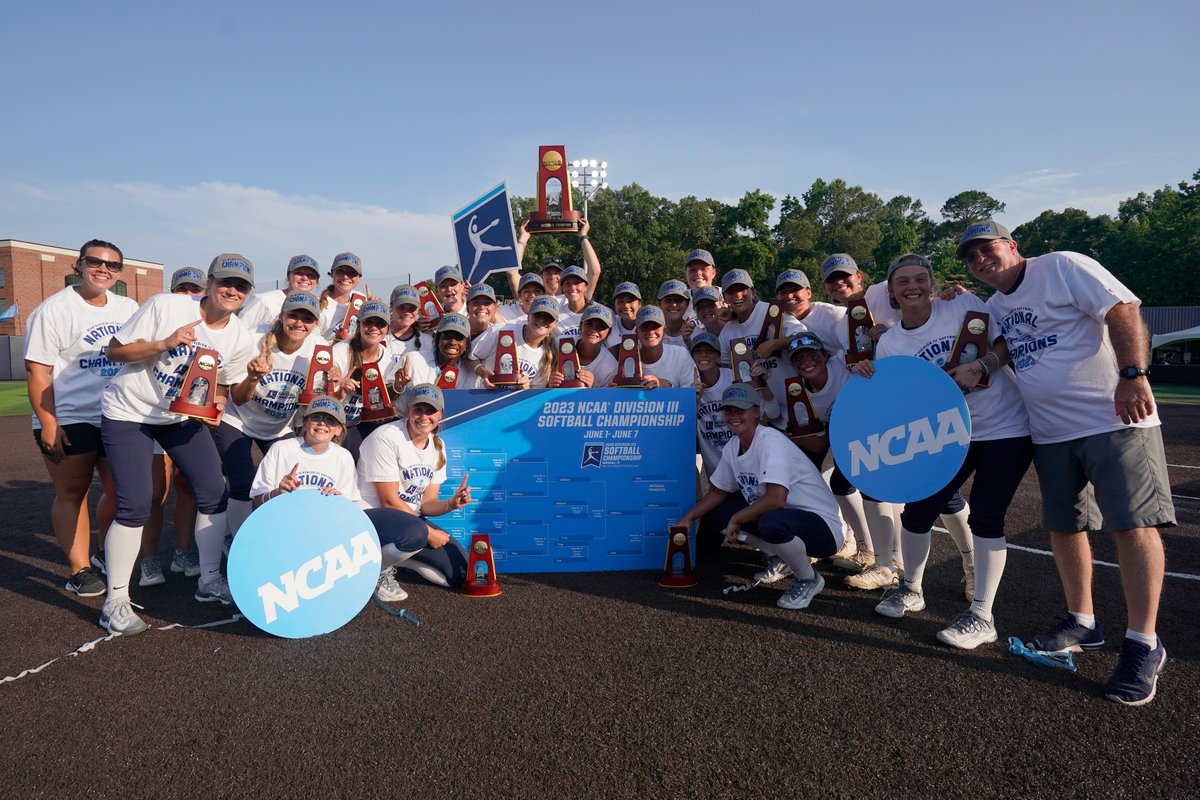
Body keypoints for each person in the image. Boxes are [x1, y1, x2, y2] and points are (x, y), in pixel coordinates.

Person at [957, 219, 1174, 704]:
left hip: (1114, 419)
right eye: (970, 258)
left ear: (1012, 245)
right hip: (1051, 433)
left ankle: (1144, 642)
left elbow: (1124, 308)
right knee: (1065, 527)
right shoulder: (993, 305)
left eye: (986, 249)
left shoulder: (1062, 266)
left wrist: (1133, 374)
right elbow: (999, 345)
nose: (980, 261)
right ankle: (1083, 621)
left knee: (1132, 527)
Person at [853, 254, 1033, 650]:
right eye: (903, 281)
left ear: (933, 284)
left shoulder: (961, 304)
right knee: (918, 511)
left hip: (1002, 427)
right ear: (892, 291)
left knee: (987, 515)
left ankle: (982, 615)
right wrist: (866, 376)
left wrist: (984, 364)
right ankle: (911, 589)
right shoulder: (892, 342)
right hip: (945, 435)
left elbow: (1005, 340)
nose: (912, 286)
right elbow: (899, 398)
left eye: (921, 278)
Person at [97, 253, 257, 634]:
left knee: (214, 491)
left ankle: (209, 579)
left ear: (248, 293)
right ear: (210, 283)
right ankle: (115, 600)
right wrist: (164, 343)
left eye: (241, 286)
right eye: (226, 282)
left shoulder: (238, 335)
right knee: (136, 502)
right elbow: (115, 351)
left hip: (178, 418)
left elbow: (221, 385)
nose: (232, 290)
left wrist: (218, 399)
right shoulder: (165, 306)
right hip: (130, 410)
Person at [23, 239, 140, 597]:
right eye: (95, 262)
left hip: (117, 413)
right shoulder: (54, 309)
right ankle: (80, 569)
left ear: (119, 272)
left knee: (121, 491)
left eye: (112, 265)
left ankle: (104, 551)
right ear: (79, 265)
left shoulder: (128, 306)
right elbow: (37, 371)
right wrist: (49, 422)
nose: (103, 269)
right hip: (70, 415)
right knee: (73, 492)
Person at [678, 383, 844, 609]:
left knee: (770, 521)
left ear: (756, 412)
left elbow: (777, 499)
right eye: (729, 411)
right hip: (786, 519)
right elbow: (718, 492)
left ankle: (808, 578)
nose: (733, 416)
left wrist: (737, 519)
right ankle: (784, 558)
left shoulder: (770, 442)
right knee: (717, 514)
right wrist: (687, 519)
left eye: (741, 410)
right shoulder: (733, 446)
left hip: (822, 529)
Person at [215, 290, 323, 545]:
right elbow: (239, 398)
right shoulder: (254, 341)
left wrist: (334, 385)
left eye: (307, 319)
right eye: (293, 315)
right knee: (242, 482)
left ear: (316, 324)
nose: (299, 323)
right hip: (238, 419)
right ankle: (240, 542)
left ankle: (280, 538)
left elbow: (312, 399)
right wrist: (253, 378)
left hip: (279, 425)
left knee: (289, 484)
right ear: (282, 315)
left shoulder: (318, 350)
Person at [357, 384, 471, 598]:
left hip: (409, 521)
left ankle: (399, 557)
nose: (424, 416)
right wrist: (429, 533)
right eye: (418, 409)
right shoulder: (386, 438)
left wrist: (452, 503)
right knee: (416, 533)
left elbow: (427, 503)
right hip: (371, 517)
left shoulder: (437, 445)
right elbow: (389, 501)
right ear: (408, 410)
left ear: (440, 414)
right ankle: (376, 570)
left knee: (460, 573)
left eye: (430, 411)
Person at [250, 396, 361, 508]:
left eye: (330, 420)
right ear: (304, 422)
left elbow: (351, 507)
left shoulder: (344, 457)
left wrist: (338, 499)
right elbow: (257, 501)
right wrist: (277, 493)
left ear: (338, 429)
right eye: (316, 418)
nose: (322, 423)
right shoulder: (280, 449)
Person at [331, 300, 395, 459]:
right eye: (368, 322)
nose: (374, 328)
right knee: (354, 456)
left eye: (380, 323)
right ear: (359, 324)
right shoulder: (340, 352)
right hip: (339, 421)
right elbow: (322, 397)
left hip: (367, 419)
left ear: (387, 328)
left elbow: (383, 399)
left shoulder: (388, 358)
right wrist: (339, 388)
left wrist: (398, 387)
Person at [469, 296, 559, 389]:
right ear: (529, 316)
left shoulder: (548, 355)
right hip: (482, 399)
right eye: (538, 314)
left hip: (515, 403)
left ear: (555, 323)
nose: (542, 320)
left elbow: (534, 395)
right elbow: (469, 357)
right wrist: (483, 373)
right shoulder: (501, 330)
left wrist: (526, 388)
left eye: (549, 317)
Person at [398, 313, 481, 391]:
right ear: (438, 340)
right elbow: (387, 393)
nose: (452, 342)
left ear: (466, 345)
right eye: (447, 337)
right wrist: (397, 387)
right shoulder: (413, 360)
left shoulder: (467, 371)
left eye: (459, 338)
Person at [239, 255, 322, 329]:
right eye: (299, 273)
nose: (305, 278)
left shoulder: (317, 305)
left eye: (311, 275)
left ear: (316, 281)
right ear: (288, 276)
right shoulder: (265, 300)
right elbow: (240, 330)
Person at [549, 303, 618, 389]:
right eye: (589, 324)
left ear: (609, 332)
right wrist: (549, 383)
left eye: (601, 326)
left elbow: (603, 400)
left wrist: (592, 388)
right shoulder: (559, 343)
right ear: (580, 326)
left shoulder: (610, 367)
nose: (593, 330)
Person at [632, 306, 699, 391]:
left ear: (664, 330)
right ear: (636, 332)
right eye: (644, 327)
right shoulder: (627, 361)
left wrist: (666, 385)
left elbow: (691, 398)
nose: (651, 332)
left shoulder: (681, 355)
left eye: (655, 326)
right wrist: (613, 391)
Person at [319, 252, 367, 341]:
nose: (345, 276)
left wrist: (372, 307)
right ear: (332, 274)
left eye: (351, 273)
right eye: (340, 271)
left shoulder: (361, 299)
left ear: (359, 278)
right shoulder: (319, 304)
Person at [657, 280, 693, 349]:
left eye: (678, 300)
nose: (673, 304)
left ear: (687, 304)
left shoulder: (694, 334)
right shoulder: (651, 333)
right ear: (659, 303)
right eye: (668, 300)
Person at [606, 282, 642, 349]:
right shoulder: (610, 324)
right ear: (615, 304)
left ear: (639, 304)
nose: (626, 306)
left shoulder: (647, 323)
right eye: (621, 301)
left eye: (630, 301)